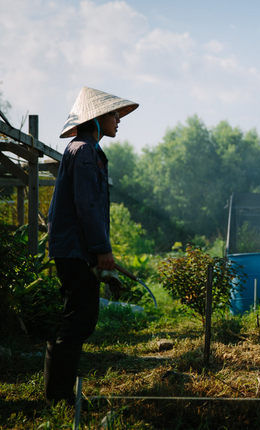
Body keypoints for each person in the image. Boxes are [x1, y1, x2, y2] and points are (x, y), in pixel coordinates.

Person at [44, 87, 138, 406]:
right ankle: (59, 398)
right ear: (96, 118)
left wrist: (98, 249)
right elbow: (87, 204)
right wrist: (101, 248)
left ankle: (60, 394)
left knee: (80, 320)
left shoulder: (84, 149)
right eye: (114, 115)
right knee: (77, 321)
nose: (118, 121)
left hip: (74, 249)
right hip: (75, 250)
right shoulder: (84, 150)